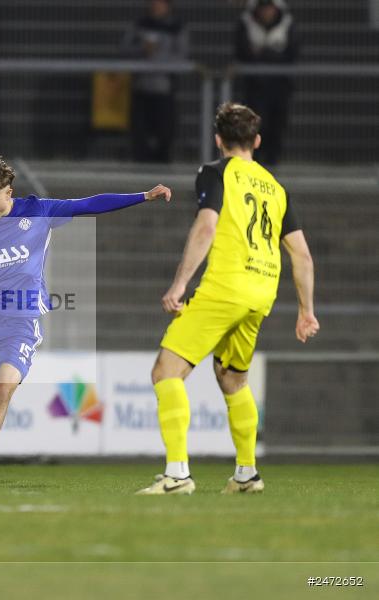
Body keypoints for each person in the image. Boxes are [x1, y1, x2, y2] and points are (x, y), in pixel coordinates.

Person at [0, 155, 172, 485]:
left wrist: (142, 196)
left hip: (21, 324)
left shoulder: (39, 211)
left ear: (9, 191)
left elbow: (90, 204)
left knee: (2, 392)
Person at [138, 102, 318, 495]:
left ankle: (177, 474)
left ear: (218, 140)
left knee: (166, 372)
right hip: (261, 292)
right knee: (233, 378)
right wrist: (306, 310)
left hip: (227, 286)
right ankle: (246, 475)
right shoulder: (275, 187)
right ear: (256, 140)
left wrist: (179, 284)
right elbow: (301, 254)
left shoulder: (216, 172)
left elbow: (206, 226)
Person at [122, 0, 189, 162]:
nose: (156, 5)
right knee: (140, 135)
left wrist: (159, 59)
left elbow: (181, 56)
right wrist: (142, 50)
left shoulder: (177, 27)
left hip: (164, 89)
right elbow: (124, 49)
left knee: (164, 135)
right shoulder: (140, 24)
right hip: (140, 87)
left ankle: (163, 173)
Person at [234, 0, 297, 165]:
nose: (266, 12)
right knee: (254, 130)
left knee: (276, 129)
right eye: (263, 8)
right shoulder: (246, 22)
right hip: (254, 88)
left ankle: (272, 167)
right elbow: (241, 51)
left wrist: (266, 55)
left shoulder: (287, 23)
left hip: (279, 87)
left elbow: (292, 52)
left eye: (269, 8)